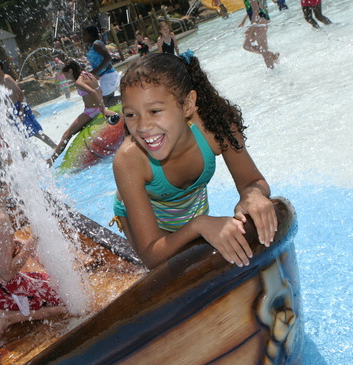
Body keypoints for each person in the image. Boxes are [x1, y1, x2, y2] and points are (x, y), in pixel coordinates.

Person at [111, 53, 277, 270]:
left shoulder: (214, 128)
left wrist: (252, 195)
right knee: (162, 273)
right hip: (148, 224)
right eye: (131, 115)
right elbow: (152, 252)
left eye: (155, 111)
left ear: (187, 105)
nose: (142, 126)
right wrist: (198, 224)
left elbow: (253, 181)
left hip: (190, 207)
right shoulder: (129, 160)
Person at [0, 161, 66, 346]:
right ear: (5, 181)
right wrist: (34, 239)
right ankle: (8, 317)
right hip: (2, 291)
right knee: (66, 305)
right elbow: (7, 273)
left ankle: (3, 312)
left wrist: (14, 243)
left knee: (59, 283)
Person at [48, 60, 119, 164]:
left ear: (71, 71)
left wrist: (103, 110)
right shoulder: (88, 74)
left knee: (66, 134)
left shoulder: (79, 82)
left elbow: (93, 92)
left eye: (66, 74)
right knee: (72, 131)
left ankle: (51, 160)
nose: (66, 77)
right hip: (96, 108)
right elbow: (99, 90)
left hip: (91, 111)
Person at [0, 59, 57, 150]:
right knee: (20, 138)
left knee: (37, 133)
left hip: (19, 108)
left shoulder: (6, 78)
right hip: (12, 112)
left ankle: (56, 147)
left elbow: (20, 93)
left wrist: (21, 111)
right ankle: (27, 159)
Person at [81, 25, 120, 107]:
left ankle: (129, 99)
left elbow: (108, 57)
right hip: (105, 77)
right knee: (107, 101)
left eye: (84, 34)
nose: (82, 36)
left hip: (108, 75)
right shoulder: (93, 45)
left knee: (107, 102)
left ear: (90, 34)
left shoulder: (97, 44)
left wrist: (96, 71)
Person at [238, 0, 280, 69]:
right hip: (257, 21)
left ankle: (273, 73)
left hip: (260, 20)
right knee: (247, 45)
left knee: (263, 50)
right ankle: (272, 55)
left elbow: (256, 10)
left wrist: (251, 29)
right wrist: (243, 21)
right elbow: (253, 7)